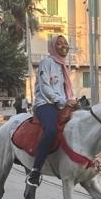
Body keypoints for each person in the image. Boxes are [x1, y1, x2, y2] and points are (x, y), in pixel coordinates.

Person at [27, 34, 78, 187]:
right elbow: (45, 87)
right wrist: (63, 102)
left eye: (65, 43)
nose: (64, 46)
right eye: (59, 43)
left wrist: (72, 102)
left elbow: (66, 90)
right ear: (52, 47)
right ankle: (35, 170)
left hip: (62, 105)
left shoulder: (64, 66)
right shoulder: (46, 62)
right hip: (46, 104)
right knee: (50, 130)